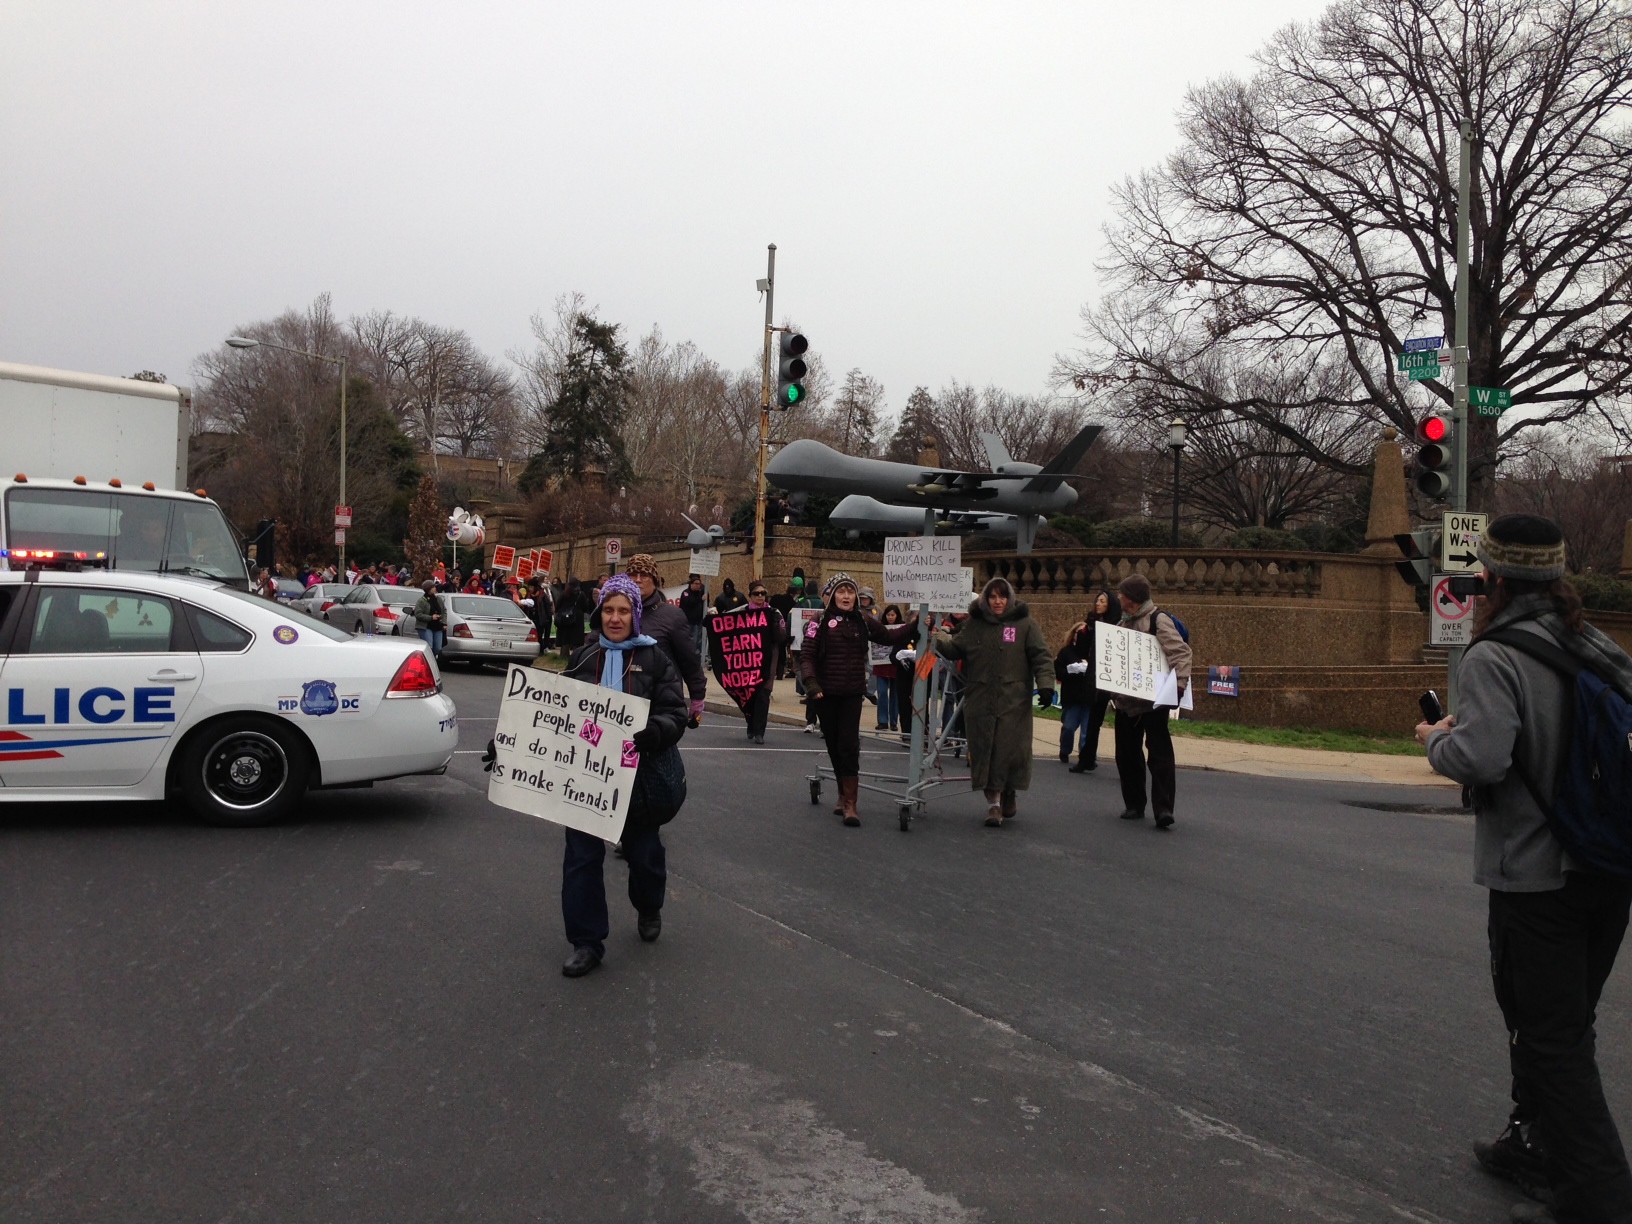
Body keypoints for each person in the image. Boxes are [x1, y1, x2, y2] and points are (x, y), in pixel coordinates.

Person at [1417, 514, 1632, 1223]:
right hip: (1609, 865)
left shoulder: (1495, 655)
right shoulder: (1593, 642)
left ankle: (1599, 1196)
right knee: (1565, 1022)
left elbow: (1482, 759)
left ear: (1495, 579)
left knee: (1548, 1035)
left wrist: (1435, 740)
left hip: (1537, 875)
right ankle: (1533, 1145)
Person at [551, 575, 688, 979]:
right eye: (608, 610)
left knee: (644, 856)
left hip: (637, 781)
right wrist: (509, 743)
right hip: (585, 778)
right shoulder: (583, 658)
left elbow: (674, 713)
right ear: (599, 613)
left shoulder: (655, 659)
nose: (615, 618)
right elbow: (549, 711)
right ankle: (586, 942)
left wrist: (657, 731)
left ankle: (649, 905)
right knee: (581, 859)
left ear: (635, 615)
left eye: (623, 610)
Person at [932, 577, 1053, 827]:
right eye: (993, 597)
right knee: (985, 751)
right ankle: (993, 805)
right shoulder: (975, 625)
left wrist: (1046, 685)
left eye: (1002, 596)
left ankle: (1009, 790)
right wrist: (937, 635)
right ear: (986, 599)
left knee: (1009, 750)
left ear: (1010, 598)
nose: (998, 602)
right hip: (981, 700)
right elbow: (954, 649)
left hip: (1013, 702)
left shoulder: (1025, 625)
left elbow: (1041, 656)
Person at [798, 573, 917, 826]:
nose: (846, 596)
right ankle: (842, 793)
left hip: (852, 692)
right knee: (834, 745)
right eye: (841, 592)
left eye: (850, 592)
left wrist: (916, 624)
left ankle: (851, 804)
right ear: (832, 595)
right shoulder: (818, 621)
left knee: (849, 745)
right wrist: (811, 683)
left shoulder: (863, 619)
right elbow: (806, 656)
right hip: (824, 694)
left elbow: (888, 636)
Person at [1110, 574, 1191, 830]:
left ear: (1132, 598)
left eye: (1122, 594)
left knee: (1159, 756)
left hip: (1154, 701)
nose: (1118, 597)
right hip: (1126, 702)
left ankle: (1163, 809)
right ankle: (1134, 804)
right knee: (1127, 755)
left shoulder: (1158, 619)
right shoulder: (1122, 622)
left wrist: (1179, 686)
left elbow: (1181, 653)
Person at [612, 555, 708, 728]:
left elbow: (689, 659)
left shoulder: (671, 615)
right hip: (618, 702)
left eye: (644, 575)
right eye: (633, 575)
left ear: (654, 580)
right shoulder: (615, 612)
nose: (638, 580)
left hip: (660, 703)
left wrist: (697, 695)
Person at [1055, 590, 1119, 772]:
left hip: (1106, 679)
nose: (1098, 603)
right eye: (1097, 600)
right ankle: (1086, 759)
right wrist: (1085, 631)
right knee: (1088, 724)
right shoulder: (1092, 624)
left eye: (1102, 601)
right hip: (1090, 681)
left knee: (1093, 723)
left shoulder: (1116, 624)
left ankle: (1089, 758)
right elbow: (1082, 650)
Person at [733, 580, 787, 743]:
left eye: (763, 593)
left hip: (768, 662)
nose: (760, 596)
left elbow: (781, 637)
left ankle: (759, 732)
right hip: (747, 662)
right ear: (750, 596)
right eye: (756, 593)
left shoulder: (774, 612)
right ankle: (750, 723)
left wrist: (775, 624)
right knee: (749, 696)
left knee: (763, 695)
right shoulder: (742, 612)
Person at [873, 604, 906, 730]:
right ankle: (882, 721)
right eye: (888, 615)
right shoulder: (879, 627)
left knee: (895, 694)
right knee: (882, 692)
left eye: (893, 615)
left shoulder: (902, 628)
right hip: (881, 665)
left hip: (896, 666)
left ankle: (893, 721)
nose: (890, 617)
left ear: (897, 615)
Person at [679, 574, 709, 663]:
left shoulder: (699, 593)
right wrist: (700, 599)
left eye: (699, 584)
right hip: (687, 622)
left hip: (696, 622)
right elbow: (689, 603)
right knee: (687, 641)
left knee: (695, 641)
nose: (698, 586)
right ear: (691, 584)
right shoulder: (686, 593)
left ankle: (694, 658)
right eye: (696, 584)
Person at [555, 578, 587, 656]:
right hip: (577, 619)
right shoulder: (581, 594)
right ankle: (576, 655)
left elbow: (557, 605)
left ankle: (564, 655)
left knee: (565, 638)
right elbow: (585, 607)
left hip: (565, 619)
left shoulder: (564, 593)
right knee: (577, 640)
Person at [414, 581, 446, 658]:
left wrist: (444, 623)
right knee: (429, 647)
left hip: (438, 627)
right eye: (433, 587)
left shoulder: (438, 599)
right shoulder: (422, 601)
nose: (435, 588)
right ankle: (428, 661)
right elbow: (418, 614)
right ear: (428, 589)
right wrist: (431, 617)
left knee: (438, 648)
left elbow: (444, 611)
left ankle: (433, 659)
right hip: (426, 627)